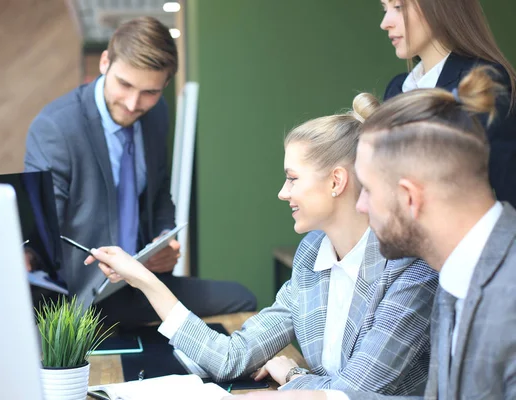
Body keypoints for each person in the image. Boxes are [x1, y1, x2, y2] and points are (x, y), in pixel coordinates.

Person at [85, 94, 438, 395]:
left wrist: (293, 375)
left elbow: (347, 396)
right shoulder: (313, 255)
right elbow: (230, 357)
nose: (283, 193)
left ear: (336, 181)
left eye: (292, 179)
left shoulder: (409, 270)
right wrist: (144, 279)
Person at [231, 67, 516, 400]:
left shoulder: (505, 290)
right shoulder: (462, 271)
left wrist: (299, 386)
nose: (361, 205)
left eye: (367, 189)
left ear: (409, 197)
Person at [24, 16, 256, 327]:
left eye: (149, 92)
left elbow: (159, 192)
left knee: (242, 297)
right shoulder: (56, 128)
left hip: (140, 283)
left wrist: (164, 239)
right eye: (125, 84)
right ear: (105, 62)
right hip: (81, 298)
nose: (134, 104)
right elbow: (43, 232)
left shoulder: (156, 114)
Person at [380, 0, 516, 208]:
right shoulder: (397, 89)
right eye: (384, 8)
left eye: (398, 7)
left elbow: (507, 188)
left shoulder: (481, 81)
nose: (385, 23)